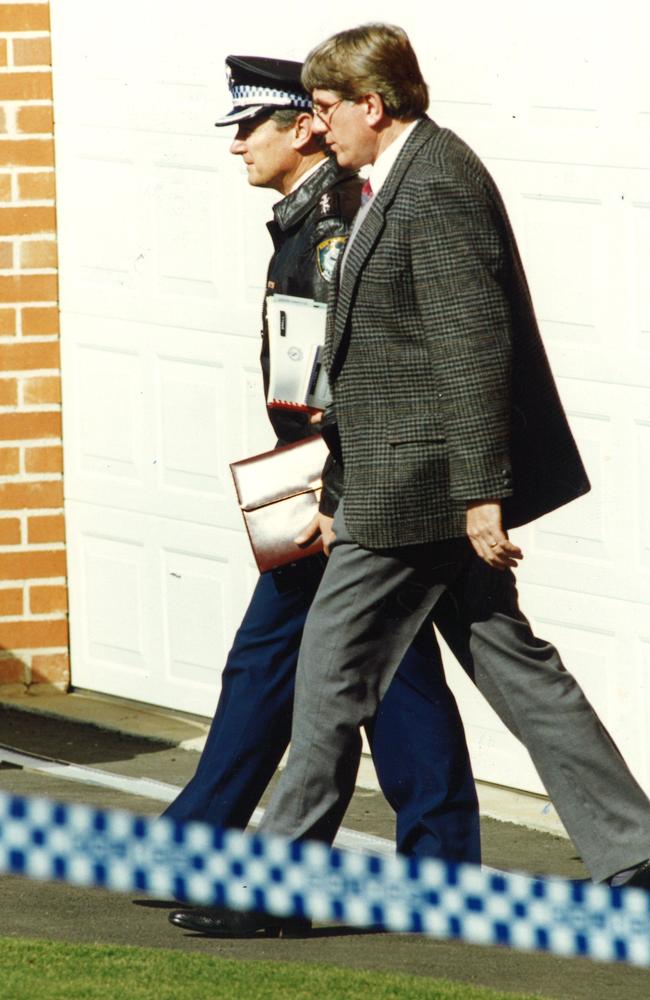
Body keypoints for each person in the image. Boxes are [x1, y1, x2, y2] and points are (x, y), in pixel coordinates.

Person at [252, 24, 650, 896]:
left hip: (420, 493)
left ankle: (277, 885)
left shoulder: (432, 186)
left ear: (372, 103)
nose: (318, 127)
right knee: (516, 666)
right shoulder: (392, 179)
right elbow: (384, 357)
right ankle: (636, 848)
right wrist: (340, 485)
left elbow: (472, 350)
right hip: (399, 480)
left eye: (325, 109)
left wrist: (480, 495)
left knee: (327, 676)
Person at [166, 55, 479, 938]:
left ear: (303, 126)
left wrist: (339, 491)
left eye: (248, 128)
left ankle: (439, 871)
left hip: (342, 481)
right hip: (309, 470)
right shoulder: (306, 220)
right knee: (289, 664)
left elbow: (354, 378)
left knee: (379, 671)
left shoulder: (336, 228)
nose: (237, 147)